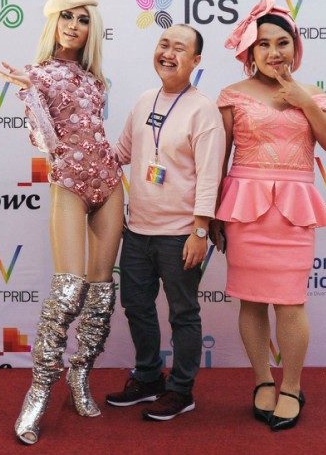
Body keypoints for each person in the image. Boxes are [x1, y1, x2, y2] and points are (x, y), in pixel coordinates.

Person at [0, 0, 123, 445]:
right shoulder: (37, 75)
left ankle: (80, 376)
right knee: (68, 289)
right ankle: (40, 392)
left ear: (91, 30)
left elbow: (97, 131)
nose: (74, 25)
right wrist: (29, 94)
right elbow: (44, 142)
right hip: (69, 184)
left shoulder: (96, 79)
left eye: (83, 19)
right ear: (53, 23)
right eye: (67, 17)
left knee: (102, 292)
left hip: (108, 180)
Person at [213, 0, 326, 431]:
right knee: (251, 300)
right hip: (244, 208)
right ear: (250, 53)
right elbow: (219, 156)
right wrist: (210, 214)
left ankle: (291, 386)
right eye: (263, 44)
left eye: (282, 42)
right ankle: (261, 381)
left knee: (290, 303)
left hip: (292, 211)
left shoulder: (315, 95)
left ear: (296, 47)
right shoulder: (232, 95)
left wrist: (303, 100)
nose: (274, 52)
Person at [105, 24, 225, 421]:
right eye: (163, 44)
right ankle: (149, 378)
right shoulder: (143, 101)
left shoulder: (202, 109)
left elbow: (210, 177)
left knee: (182, 314)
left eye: (180, 48)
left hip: (180, 236)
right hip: (136, 231)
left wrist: (200, 231)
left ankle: (181, 391)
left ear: (196, 60)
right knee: (136, 306)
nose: (169, 53)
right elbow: (121, 152)